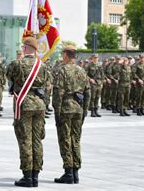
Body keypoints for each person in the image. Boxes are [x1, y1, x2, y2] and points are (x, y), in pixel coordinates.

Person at [11, 37, 49, 187]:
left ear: (26, 48)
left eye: (22, 47)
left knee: (25, 139)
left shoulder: (18, 64)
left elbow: (9, 76)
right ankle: (36, 175)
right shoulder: (43, 65)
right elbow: (47, 82)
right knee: (37, 140)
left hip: (24, 103)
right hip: (39, 104)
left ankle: (27, 176)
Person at [53, 45, 90, 184]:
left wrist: (57, 112)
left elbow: (58, 93)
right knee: (76, 139)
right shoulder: (82, 71)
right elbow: (88, 92)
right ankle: (75, 172)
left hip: (66, 108)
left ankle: (68, 171)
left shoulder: (63, 70)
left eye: (63, 54)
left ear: (66, 55)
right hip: (78, 109)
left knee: (65, 139)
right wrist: (85, 110)